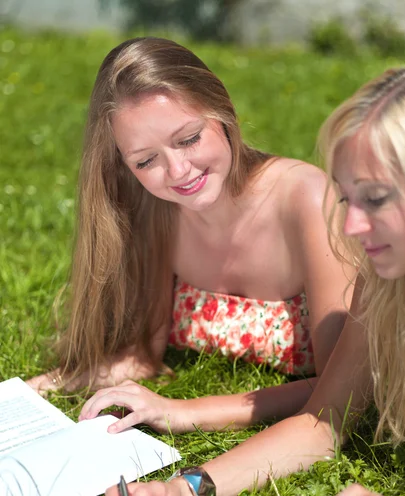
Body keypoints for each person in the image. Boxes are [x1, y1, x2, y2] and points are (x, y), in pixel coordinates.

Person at [102, 64, 405, 496]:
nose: (350, 226)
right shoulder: (385, 286)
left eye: (376, 198)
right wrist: (190, 492)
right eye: (349, 198)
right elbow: (322, 424)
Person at [27, 36, 350, 432]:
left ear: (223, 113)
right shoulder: (156, 209)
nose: (178, 171)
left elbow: (345, 387)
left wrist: (185, 411)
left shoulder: (306, 198)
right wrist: (42, 388)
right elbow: (143, 358)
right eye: (146, 160)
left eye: (189, 139)